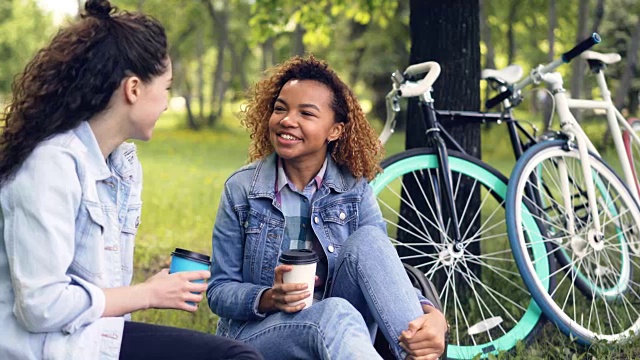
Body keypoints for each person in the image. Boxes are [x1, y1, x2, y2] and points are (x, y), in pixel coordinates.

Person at [0, 1, 263, 359]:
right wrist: (149, 294)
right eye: (167, 88)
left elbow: (97, 288)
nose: (168, 103)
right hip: (49, 349)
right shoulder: (50, 166)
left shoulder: (121, 165)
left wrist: (155, 284)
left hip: (94, 338)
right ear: (134, 89)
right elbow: (40, 306)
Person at [207, 55, 448, 360]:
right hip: (258, 335)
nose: (287, 120)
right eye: (280, 108)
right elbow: (219, 290)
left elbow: (381, 272)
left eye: (306, 113)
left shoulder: (354, 188)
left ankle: (419, 353)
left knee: (370, 242)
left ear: (335, 130)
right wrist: (269, 298)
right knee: (332, 313)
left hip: (343, 329)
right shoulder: (242, 190)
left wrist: (431, 314)